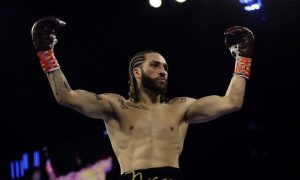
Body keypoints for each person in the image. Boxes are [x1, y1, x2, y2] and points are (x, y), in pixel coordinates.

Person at [31, 16, 254, 180]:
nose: (163, 71)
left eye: (165, 67)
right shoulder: (116, 106)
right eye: (155, 65)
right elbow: (66, 97)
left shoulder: (180, 108)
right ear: (137, 72)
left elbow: (231, 102)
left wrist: (243, 57)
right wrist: (46, 53)